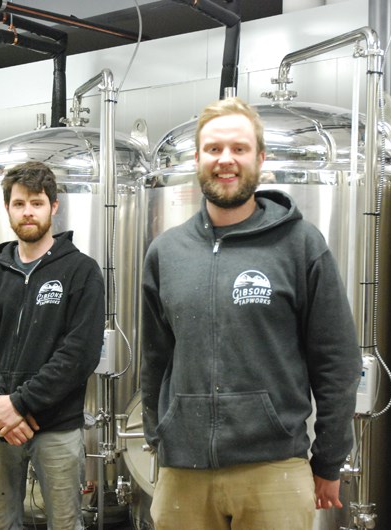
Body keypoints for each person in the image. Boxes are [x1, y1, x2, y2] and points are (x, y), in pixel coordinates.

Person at [140, 97, 361, 529]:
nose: (226, 160)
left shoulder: (300, 244)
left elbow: (336, 360)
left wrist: (329, 460)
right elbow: (154, 360)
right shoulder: (166, 252)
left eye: (239, 149)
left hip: (274, 469)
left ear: (260, 158)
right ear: (198, 159)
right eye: (214, 149)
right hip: (182, 472)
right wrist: (159, 436)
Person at [0, 161, 105, 530]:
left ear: (53, 207)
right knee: (1, 522)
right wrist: (1, 408)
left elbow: (79, 354)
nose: (28, 212)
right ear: (6, 208)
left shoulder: (81, 271)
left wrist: (21, 404)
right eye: (19, 203)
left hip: (56, 426)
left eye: (37, 203)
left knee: (65, 524)